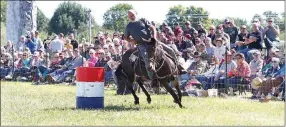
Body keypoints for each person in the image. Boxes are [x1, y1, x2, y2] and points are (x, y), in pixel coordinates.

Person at [124, 9, 187, 80]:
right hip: (141, 45)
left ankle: (179, 67)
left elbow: (153, 28)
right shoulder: (128, 26)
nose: (132, 17)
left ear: (136, 14)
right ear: (128, 17)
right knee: (147, 59)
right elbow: (126, 37)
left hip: (151, 41)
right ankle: (153, 80)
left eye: (133, 15)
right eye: (130, 16)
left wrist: (154, 37)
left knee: (170, 50)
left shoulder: (142, 20)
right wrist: (131, 40)